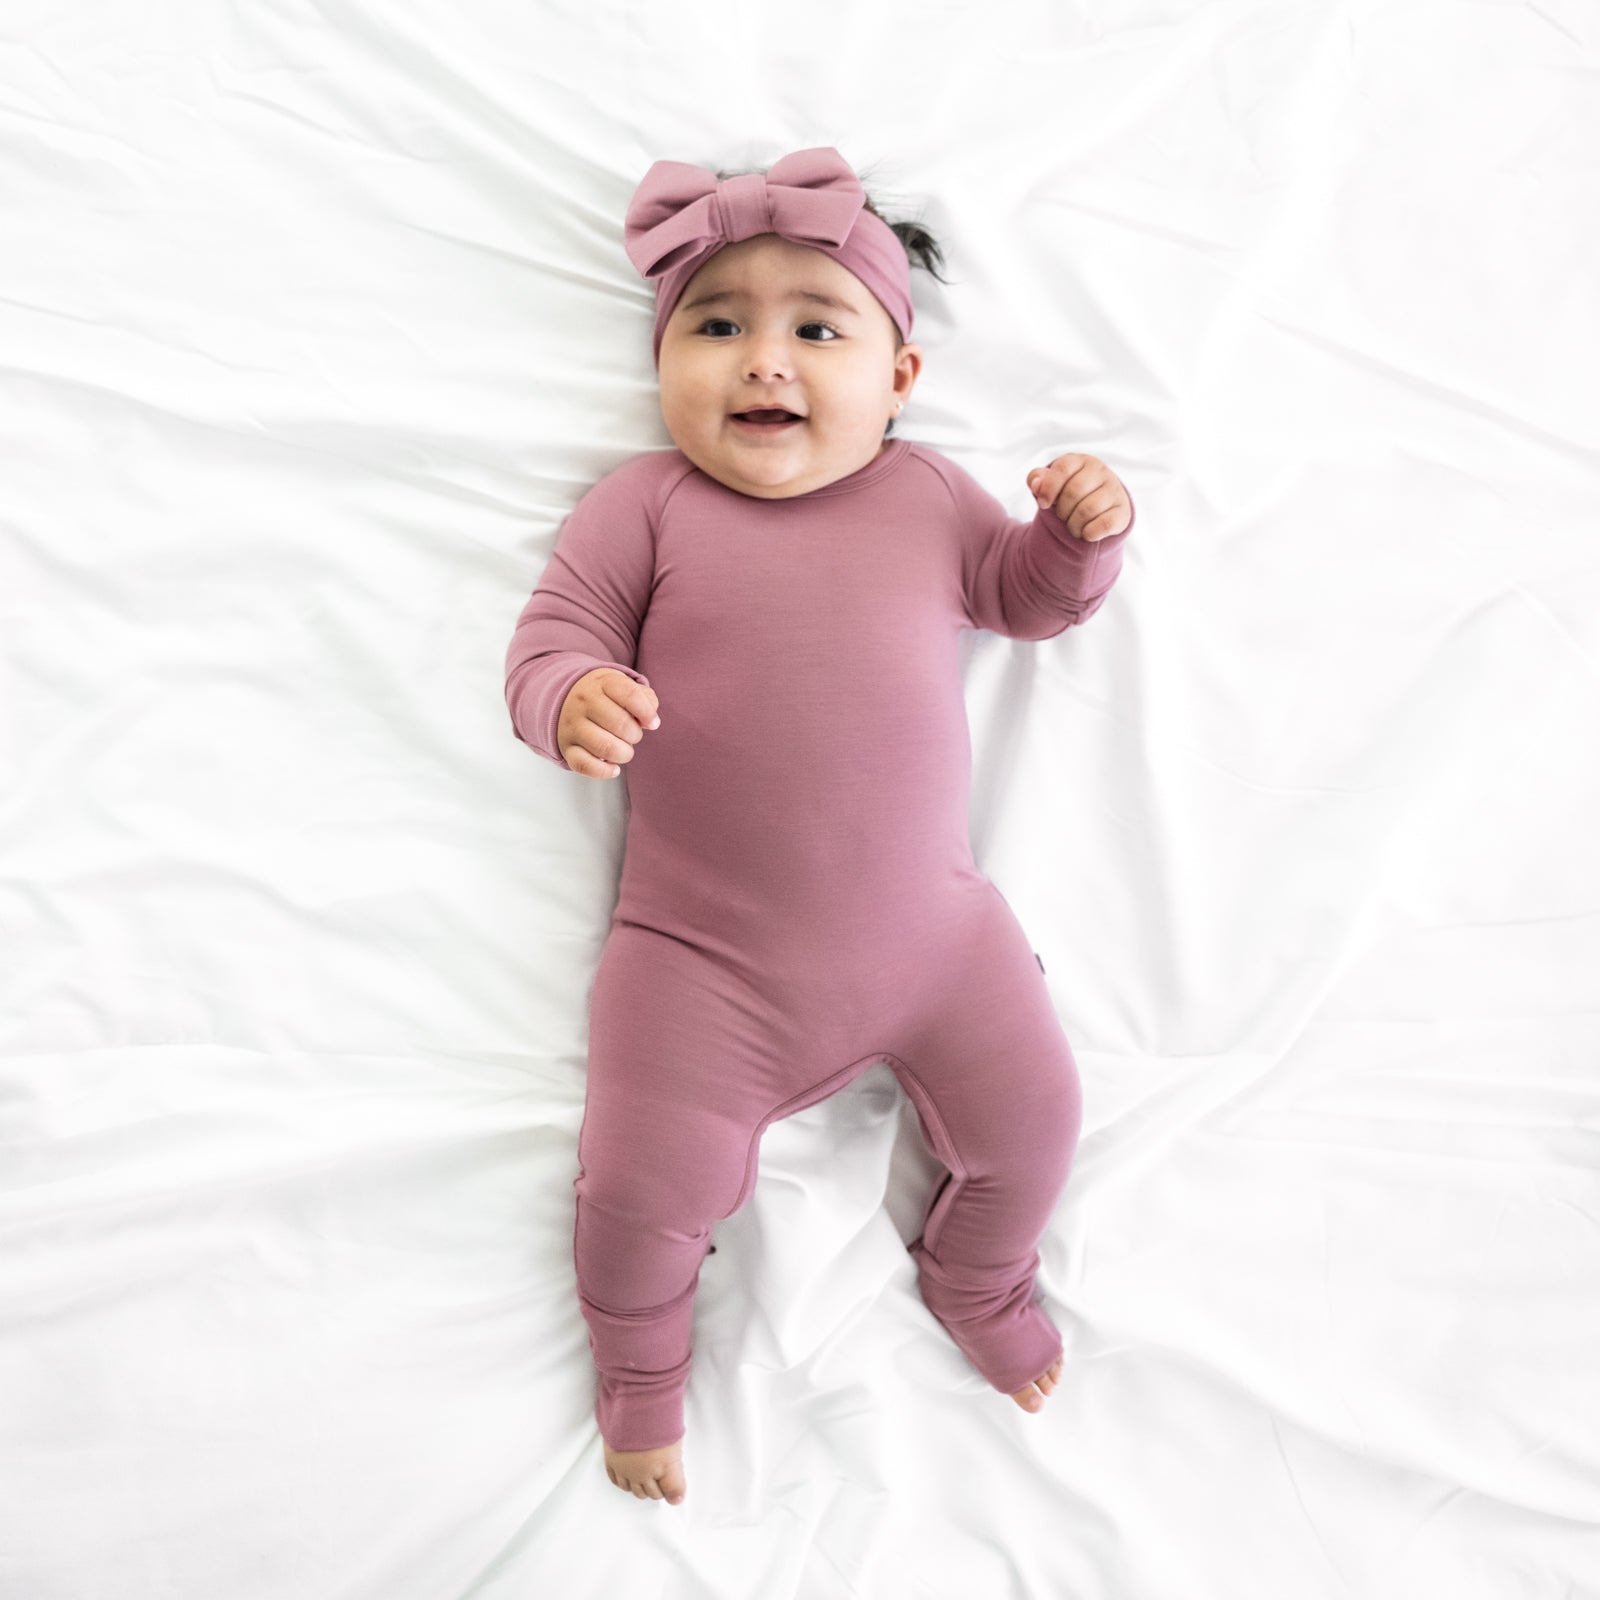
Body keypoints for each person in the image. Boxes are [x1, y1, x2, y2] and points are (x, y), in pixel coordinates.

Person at [503, 146, 1136, 1507]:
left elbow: (1024, 602)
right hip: (700, 960)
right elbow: (551, 637)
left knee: (1038, 1122)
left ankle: (976, 1272)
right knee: (633, 1189)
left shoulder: (927, 499)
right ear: (663, 362)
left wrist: (1076, 540)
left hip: (938, 938)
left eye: (815, 327)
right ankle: (641, 1377)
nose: (762, 362)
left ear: (899, 381)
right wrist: (571, 698)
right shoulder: (644, 508)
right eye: (715, 326)